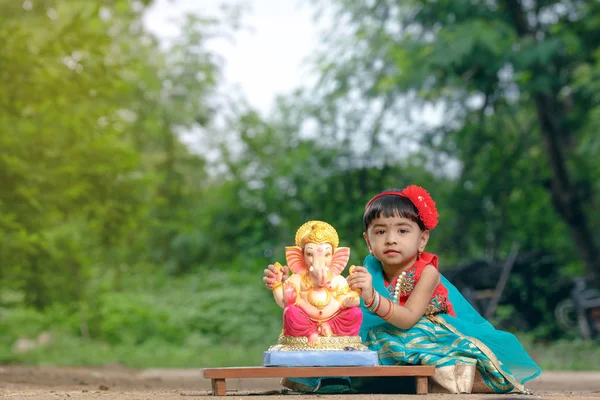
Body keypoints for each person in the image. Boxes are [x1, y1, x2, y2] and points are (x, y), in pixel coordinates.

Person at [264, 185, 542, 394]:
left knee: (411, 342)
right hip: (384, 333)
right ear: (368, 241)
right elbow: (328, 298)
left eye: (402, 231)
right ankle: (382, 379)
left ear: (422, 239)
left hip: (425, 329)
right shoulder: (369, 268)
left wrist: (371, 297)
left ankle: (445, 377)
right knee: (357, 344)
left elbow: (409, 318)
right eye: (381, 232)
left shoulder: (428, 272)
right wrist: (286, 283)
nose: (391, 240)